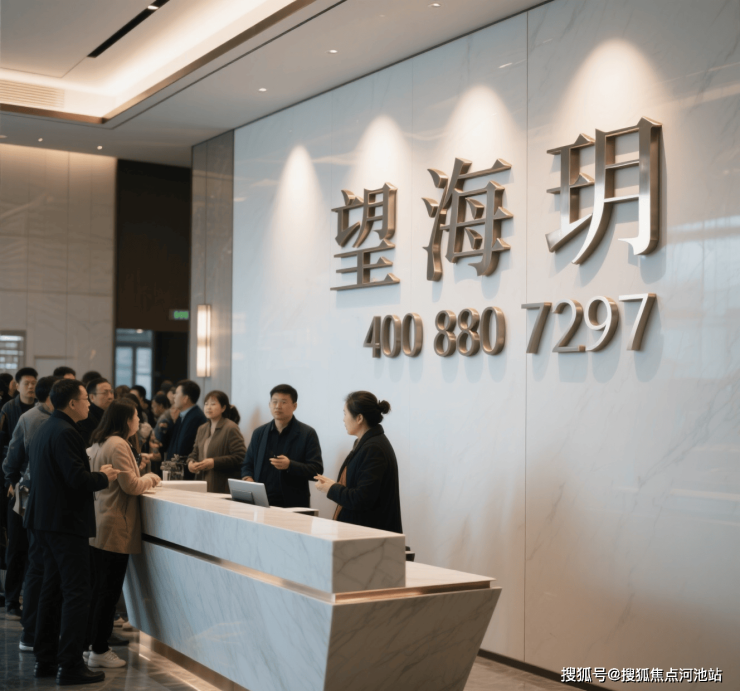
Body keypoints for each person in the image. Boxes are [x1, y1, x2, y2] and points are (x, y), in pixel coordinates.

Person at [24, 378, 120, 685]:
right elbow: (76, 480)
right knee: (78, 593)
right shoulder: (66, 432)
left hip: (45, 522)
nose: (89, 404)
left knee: (51, 590)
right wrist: (103, 476)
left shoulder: (46, 428)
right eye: (85, 399)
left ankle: (45, 660)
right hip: (65, 524)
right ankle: (70, 665)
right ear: (72, 403)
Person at [86, 399, 161, 669]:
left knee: (98, 589)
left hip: (100, 521)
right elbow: (131, 486)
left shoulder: (100, 441)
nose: (139, 420)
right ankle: (99, 649)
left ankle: (90, 645)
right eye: (136, 416)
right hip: (115, 524)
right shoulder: (119, 444)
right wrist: (152, 477)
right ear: (125, 419)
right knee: (108, 591)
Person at [2, 375, 59, 651]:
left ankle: (31, 618)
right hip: (28, 493)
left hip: (37, 494)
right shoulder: (32, 418)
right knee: (25, 551)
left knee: (35, 556)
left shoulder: (53, 418)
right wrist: (14, 483)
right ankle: (16, 604)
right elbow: (12, 459)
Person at [315, 391, 402, 534]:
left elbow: (361, 499)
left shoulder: (374, 448)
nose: (343, 419)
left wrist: (331, 489)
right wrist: (333, 485)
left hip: (370, 537)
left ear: (359, 418)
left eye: (345, 414)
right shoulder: (366, 443)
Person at [241, 385, 323, 508]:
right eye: (274, 402)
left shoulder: (307, 433)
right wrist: (248, 480)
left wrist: (290, 465)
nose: (278, 406)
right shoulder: (259, 433)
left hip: (293, 504)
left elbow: (316, 470)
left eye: (283, 402)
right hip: (261, 502)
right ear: (269, 404)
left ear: (294, 406)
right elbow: (247, 464)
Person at [187, 391, 246, 493]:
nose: (208, 407)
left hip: (222, 486)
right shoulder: (202, 428)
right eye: (206, 404)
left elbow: (240, 457)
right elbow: (194, 453)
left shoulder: (231, 428)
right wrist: (190, 463)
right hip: (201, 484)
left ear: (223, 408)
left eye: (213, 404)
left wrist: (214, 462)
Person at [150, 380, 206, 476]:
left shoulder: (196, 418)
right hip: (176, 471)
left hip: (185, 473)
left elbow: (184, 448)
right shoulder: (183, 415)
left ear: (185, 398)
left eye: (176, 393)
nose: (174, 396)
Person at [78, 378, 115, 446]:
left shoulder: (112, 414)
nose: (110, 396)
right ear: (92, 397)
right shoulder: (86, 417)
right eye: (105, 393)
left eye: (111, 392)